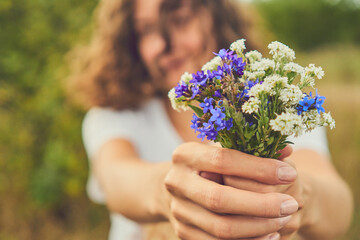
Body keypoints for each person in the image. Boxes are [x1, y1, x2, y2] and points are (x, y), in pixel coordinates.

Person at [72, 0, 353, 239]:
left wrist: (299, 193)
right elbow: (117, 180)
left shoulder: (277, 106)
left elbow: (340, 208)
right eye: (145, 30)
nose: (162, 45)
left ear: (218, 17)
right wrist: (170, 193)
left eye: (180, 20)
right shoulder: (114, 114)